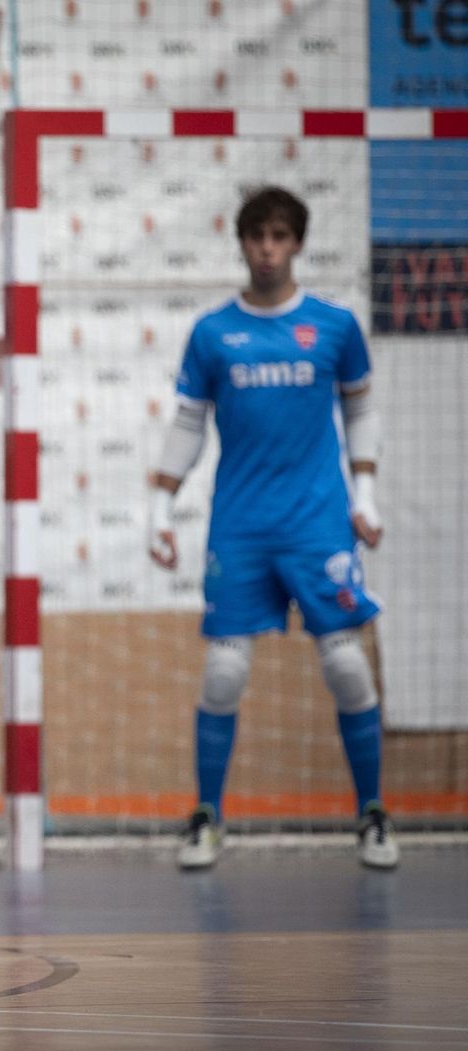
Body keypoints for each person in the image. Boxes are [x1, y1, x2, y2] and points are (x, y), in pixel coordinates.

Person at [149, 186, 396, 872]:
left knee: (346, 664)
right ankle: (207, 816)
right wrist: (158, 508)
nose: (268, 249)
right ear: (242, 242)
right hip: (241, 527)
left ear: (297, 243)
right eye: (257, 236)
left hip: (319, 526)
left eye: (280, 236)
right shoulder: (211, 333)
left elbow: (362, 412)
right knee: (224, 670)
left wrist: (366, 495)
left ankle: (373, 813)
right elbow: (189, 423)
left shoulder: (335, 327)